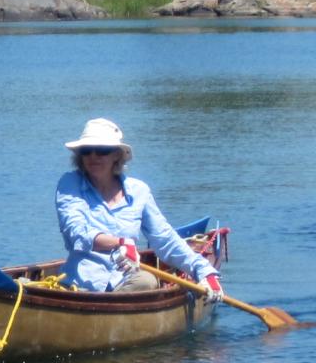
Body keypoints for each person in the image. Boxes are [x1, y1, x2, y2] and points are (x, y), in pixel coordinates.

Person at [55, 117, 224, 301]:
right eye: (87, 151)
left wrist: (204, 271)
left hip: (127, 282)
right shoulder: (70, 184)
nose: (93, 156)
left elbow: (165, 240)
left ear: (116, 156)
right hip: (79, 286)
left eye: (102, 150)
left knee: (146, 281)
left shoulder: (139, 191)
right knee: (146, 281)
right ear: (80, 156)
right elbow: (76, 233)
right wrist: (120, 242)